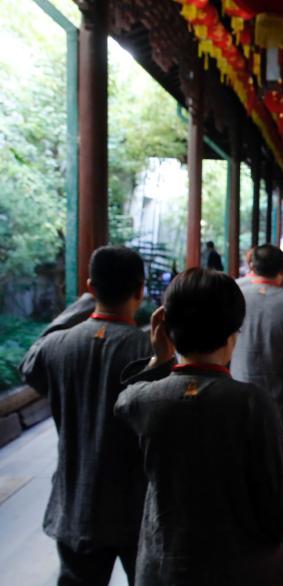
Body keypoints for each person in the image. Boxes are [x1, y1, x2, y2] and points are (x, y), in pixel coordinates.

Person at [114, 268, 283, 586]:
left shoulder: (140, 401)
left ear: (166, 330)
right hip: (242, 569)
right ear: (233, 336)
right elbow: (279, 505)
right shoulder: (252, 404)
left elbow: (125, 403)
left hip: (164, 568)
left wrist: (159, 360)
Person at [19, 246, 152, 586]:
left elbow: (30, 364)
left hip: (75, 504)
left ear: (91, 287)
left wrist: (77, 308)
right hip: (133, 508)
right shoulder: (146, 352)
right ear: (140, 289)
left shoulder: (55, 347)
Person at [231, 244, 283, 431]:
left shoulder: (233, 296)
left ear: (252, 266)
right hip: (277, 402)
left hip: (234, 393)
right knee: (272, 453)